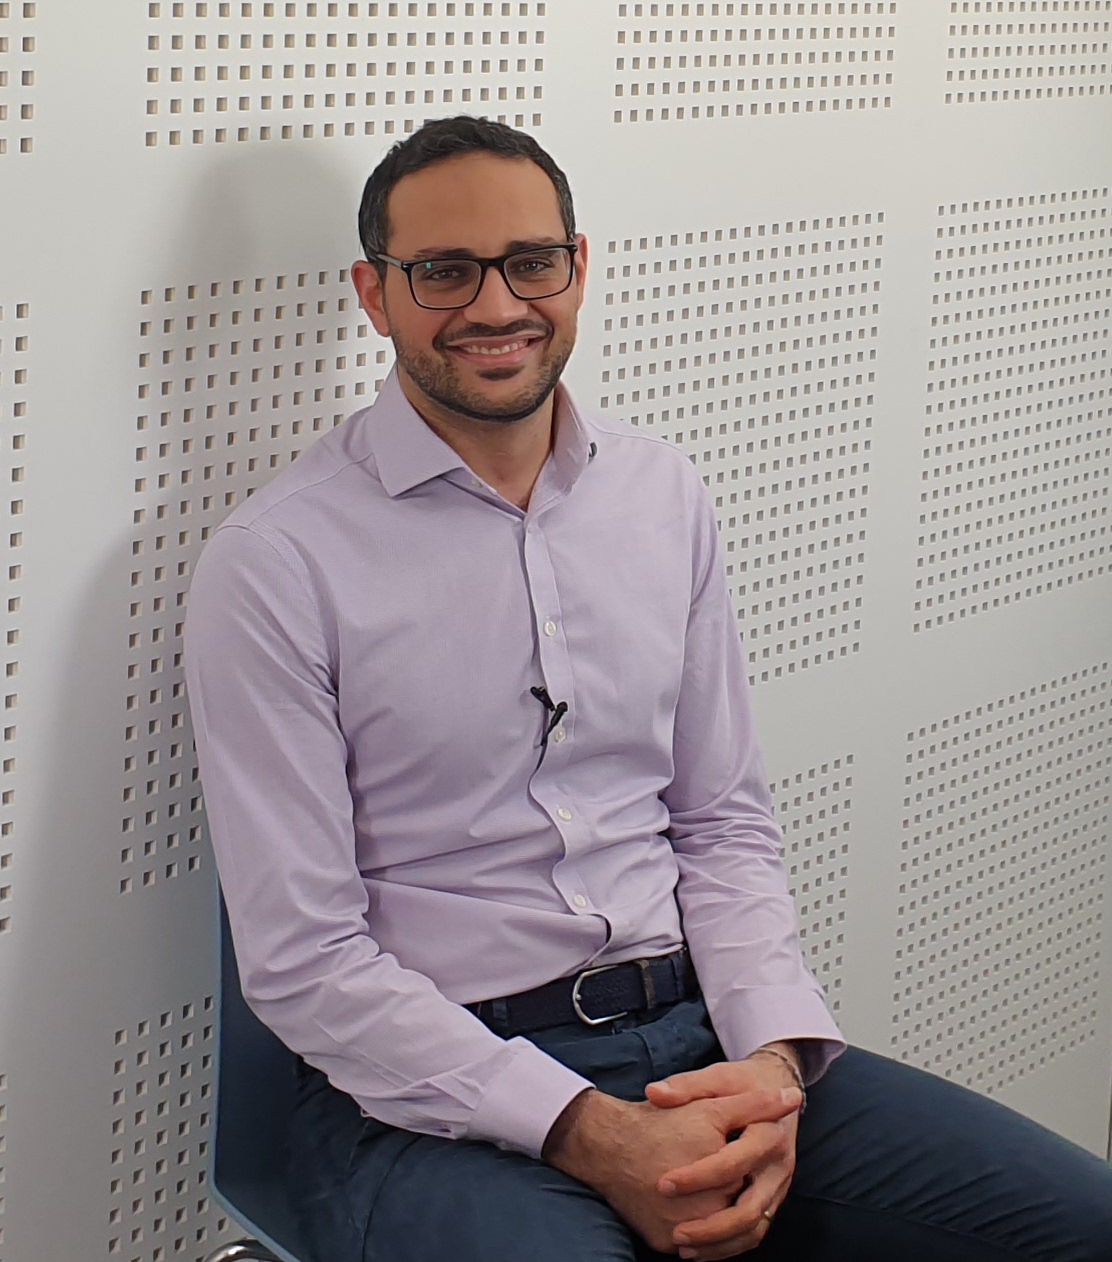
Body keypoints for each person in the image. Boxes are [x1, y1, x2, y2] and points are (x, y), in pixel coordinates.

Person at [183, 116, 1112, 1262]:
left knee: (1083, 1221)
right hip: (427, 1102)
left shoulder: (660, 494)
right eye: (443, 271)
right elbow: (305, 957)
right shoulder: (276, 561)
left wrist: (771, 1064)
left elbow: (721, 824)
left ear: (576, 268)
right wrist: (588, 1129)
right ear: (374, 294)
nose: (494, 304)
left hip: (696, 1037)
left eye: (530, 261)